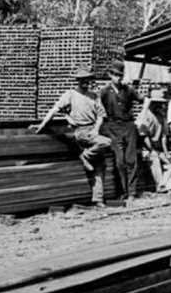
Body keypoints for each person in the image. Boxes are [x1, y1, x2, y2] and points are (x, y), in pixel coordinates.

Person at [31, 66, 112, 207]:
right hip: (80, 131)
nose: (85, 83)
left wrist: (96, 130)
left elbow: (101, 116)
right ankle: (85, 156)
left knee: (100, 166)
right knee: (106, 142)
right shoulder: (70, 94)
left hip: (93, 131)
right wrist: (42, 125)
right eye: (82, 80)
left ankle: (98, 199)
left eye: (87, 80)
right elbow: (54, 110)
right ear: (78, 81)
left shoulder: (94, 96)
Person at [99, 60, 147, 202]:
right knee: (119, 161)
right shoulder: (104, 92)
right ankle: (124, 191)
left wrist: (141, 118)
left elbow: (146, 100)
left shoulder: (128, 90)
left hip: (129, 127)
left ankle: (132, 193)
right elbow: (95, 107)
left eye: (120, 75)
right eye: (115, 75)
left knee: (131, 160)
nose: (118, 78)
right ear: (110, 75)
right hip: (113, 128)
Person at [136, 89, 171, 193]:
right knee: (154, 159)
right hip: (145, 148)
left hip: (157, 147)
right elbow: (144, 137)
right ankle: (159, 186)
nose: (159, 106)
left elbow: (163, 137)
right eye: (157, 103)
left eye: (160, 103)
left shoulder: (161, 117)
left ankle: (166, 186)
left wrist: (166, 153)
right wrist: (152, 150)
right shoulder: (146, 116)